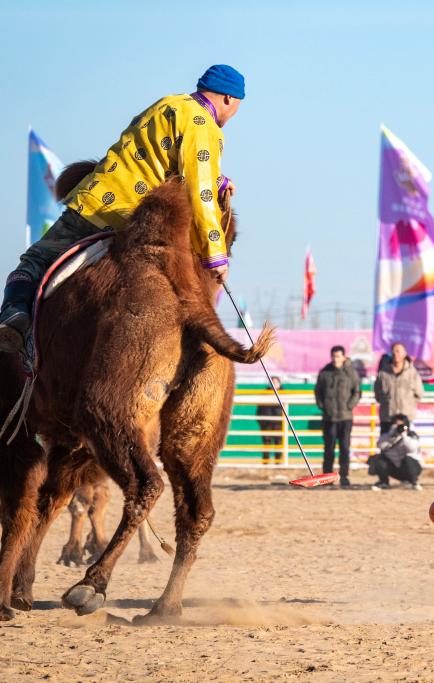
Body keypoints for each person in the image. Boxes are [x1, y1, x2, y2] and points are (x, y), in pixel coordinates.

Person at [0, 65, 246, 354]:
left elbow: (158, 157)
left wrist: (217, 180)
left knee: (33, 262)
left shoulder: (167, 104)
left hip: (93, 204)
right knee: (35, 259)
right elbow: (199, 191)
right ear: (229, 98)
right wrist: (215, 256)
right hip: (136, 223)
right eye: (238, 106)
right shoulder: (205, 126)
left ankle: (13, 314)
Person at [315, 346, 362, 487]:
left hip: (345, 417)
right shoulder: (325, 372)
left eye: (338, 356)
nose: (336, 359)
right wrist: (323, 406)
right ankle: (327, 478)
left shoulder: (351, 373)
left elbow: (357, 392)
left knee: (344, 448)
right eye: (334, 356)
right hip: (329, 417)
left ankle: (344, 476)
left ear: (344, 357)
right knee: (329, 449)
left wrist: (349, 405)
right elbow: (318, 391)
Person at [373, 342, 424, 434]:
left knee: (406, 441)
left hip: (406, 419)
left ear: (404, 354)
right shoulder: (383, 373)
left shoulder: (412, 373)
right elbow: (378, 395)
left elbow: (419, 394)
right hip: (387, 418)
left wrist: (407, 404)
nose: (395, 354)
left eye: (398, 351)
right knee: (386, 442)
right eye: (393, 351)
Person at [368, 414, 424, 491]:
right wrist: (392, 437)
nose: (398, 427)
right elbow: (380, 446)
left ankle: (413, 482)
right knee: (379, 458)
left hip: (411, 468)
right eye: (396, 424)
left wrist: (404, 436)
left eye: (401, 425)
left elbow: (412, 449)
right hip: (394, 468)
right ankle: (384, 482)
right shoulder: (387, 435)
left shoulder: (412, 435)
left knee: (408, 459)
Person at [256, 376, 284, 465]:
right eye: (272, 382)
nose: (274, 384)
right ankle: (266, 462)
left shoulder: (284, 393)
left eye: (276, 382)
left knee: (278, 442)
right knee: (266, 442)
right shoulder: (265, 393)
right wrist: (261, 421)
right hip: (266, 422)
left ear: (279, 383)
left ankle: (278, 462)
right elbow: (260, 409)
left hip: (279, 422)